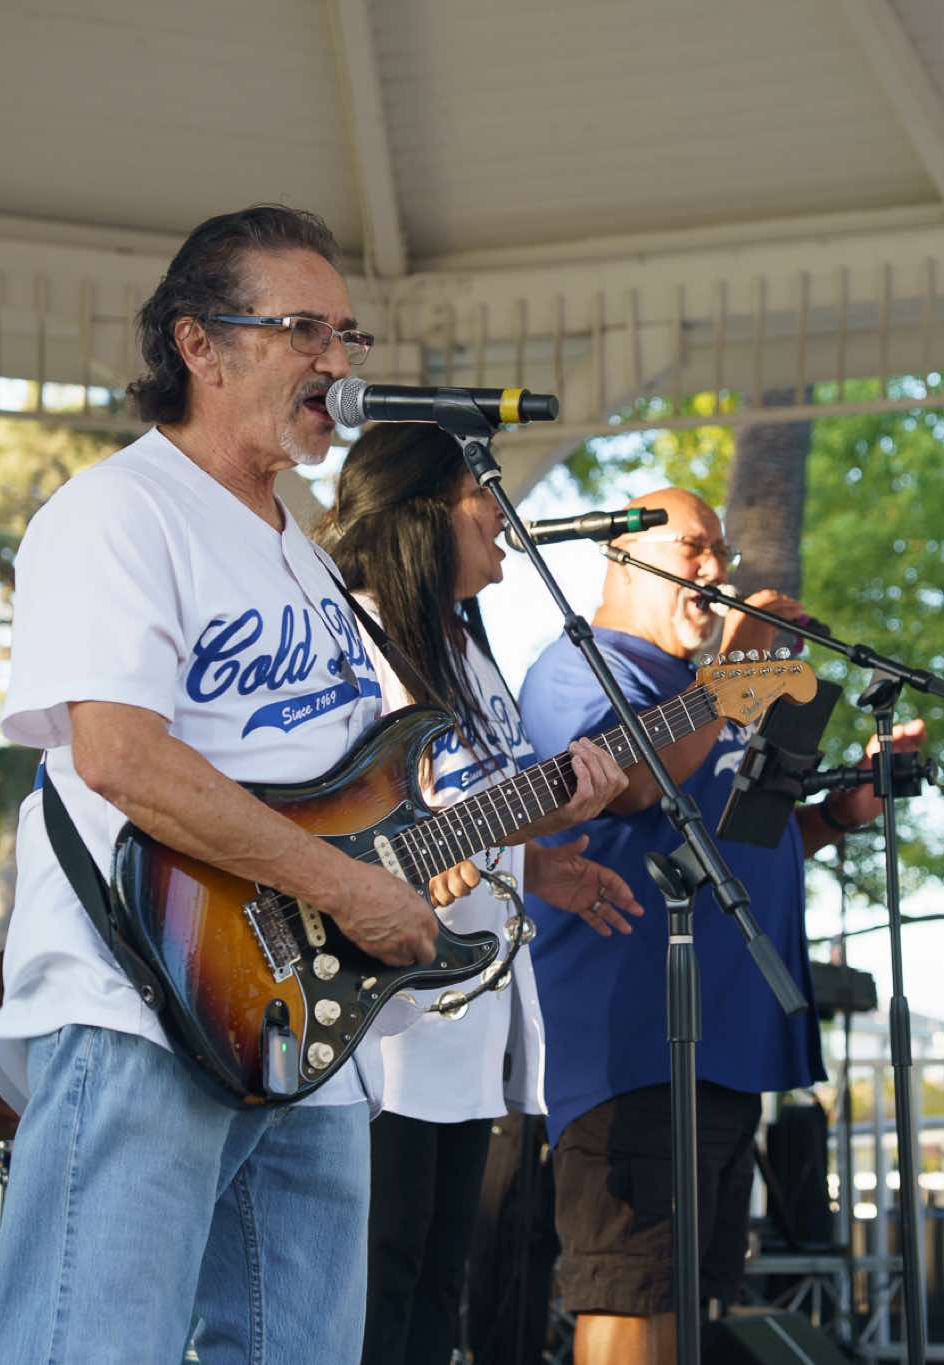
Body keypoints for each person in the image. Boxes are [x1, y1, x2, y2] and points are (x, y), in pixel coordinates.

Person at [0, 206, 623, 1364]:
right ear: (199, 345)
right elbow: (121, 757)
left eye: (347, 335)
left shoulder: (304, 560)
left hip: (309, 1028)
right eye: (303, 330)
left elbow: (357, 791)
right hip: (143, 996)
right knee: (91, 1341)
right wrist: (344, 887)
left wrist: (525, 821)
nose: (336, 359)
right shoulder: (118, 511)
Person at [517, 486, 921, 1365]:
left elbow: (744, 837)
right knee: (627, 1286)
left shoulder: (696, 688)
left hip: (728, 1040)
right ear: (624, 559)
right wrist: (733, 675)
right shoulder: (583, 664)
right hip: (635, 1039)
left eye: (723, 553)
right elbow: (628, 785)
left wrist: (839, 813)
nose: (716, 570)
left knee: (686, 1297)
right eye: (693, 548)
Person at [324, 422, 636, 1365]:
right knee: (378, 1282)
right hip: (380, 1016)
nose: (505, 517)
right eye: (482, 496)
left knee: (436, 1287)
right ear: (424, 513)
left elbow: (464, 814)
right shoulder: (351, 630)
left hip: (469, 1014)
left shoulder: (465, 648)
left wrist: (540, 865)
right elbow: (350, 818)